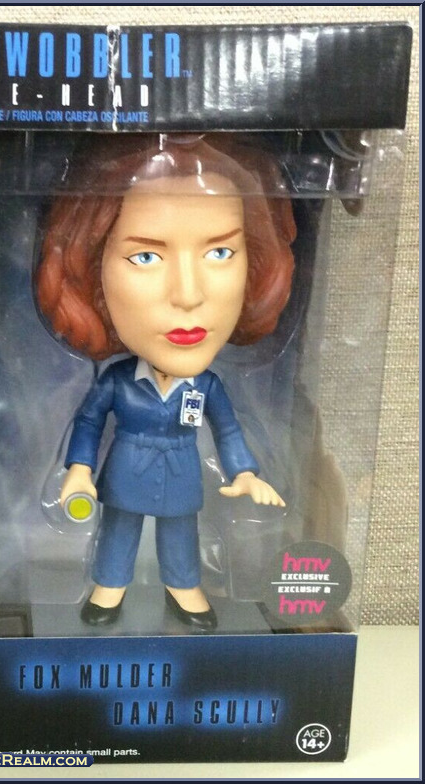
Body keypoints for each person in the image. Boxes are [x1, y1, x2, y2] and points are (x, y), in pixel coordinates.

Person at [36, 134, 295, 630]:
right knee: (119, 531)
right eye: (146, 257)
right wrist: (79, 470)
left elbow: (228, 430)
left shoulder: (206, 387)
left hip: (181, 473)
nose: (188, 295)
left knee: (180, 534)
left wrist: (244, 473)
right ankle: (109, 588)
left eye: (220, 252)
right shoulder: (118, 381)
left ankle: (184, 587)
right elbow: (88, 423)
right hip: (126, 471)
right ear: (91, 269)